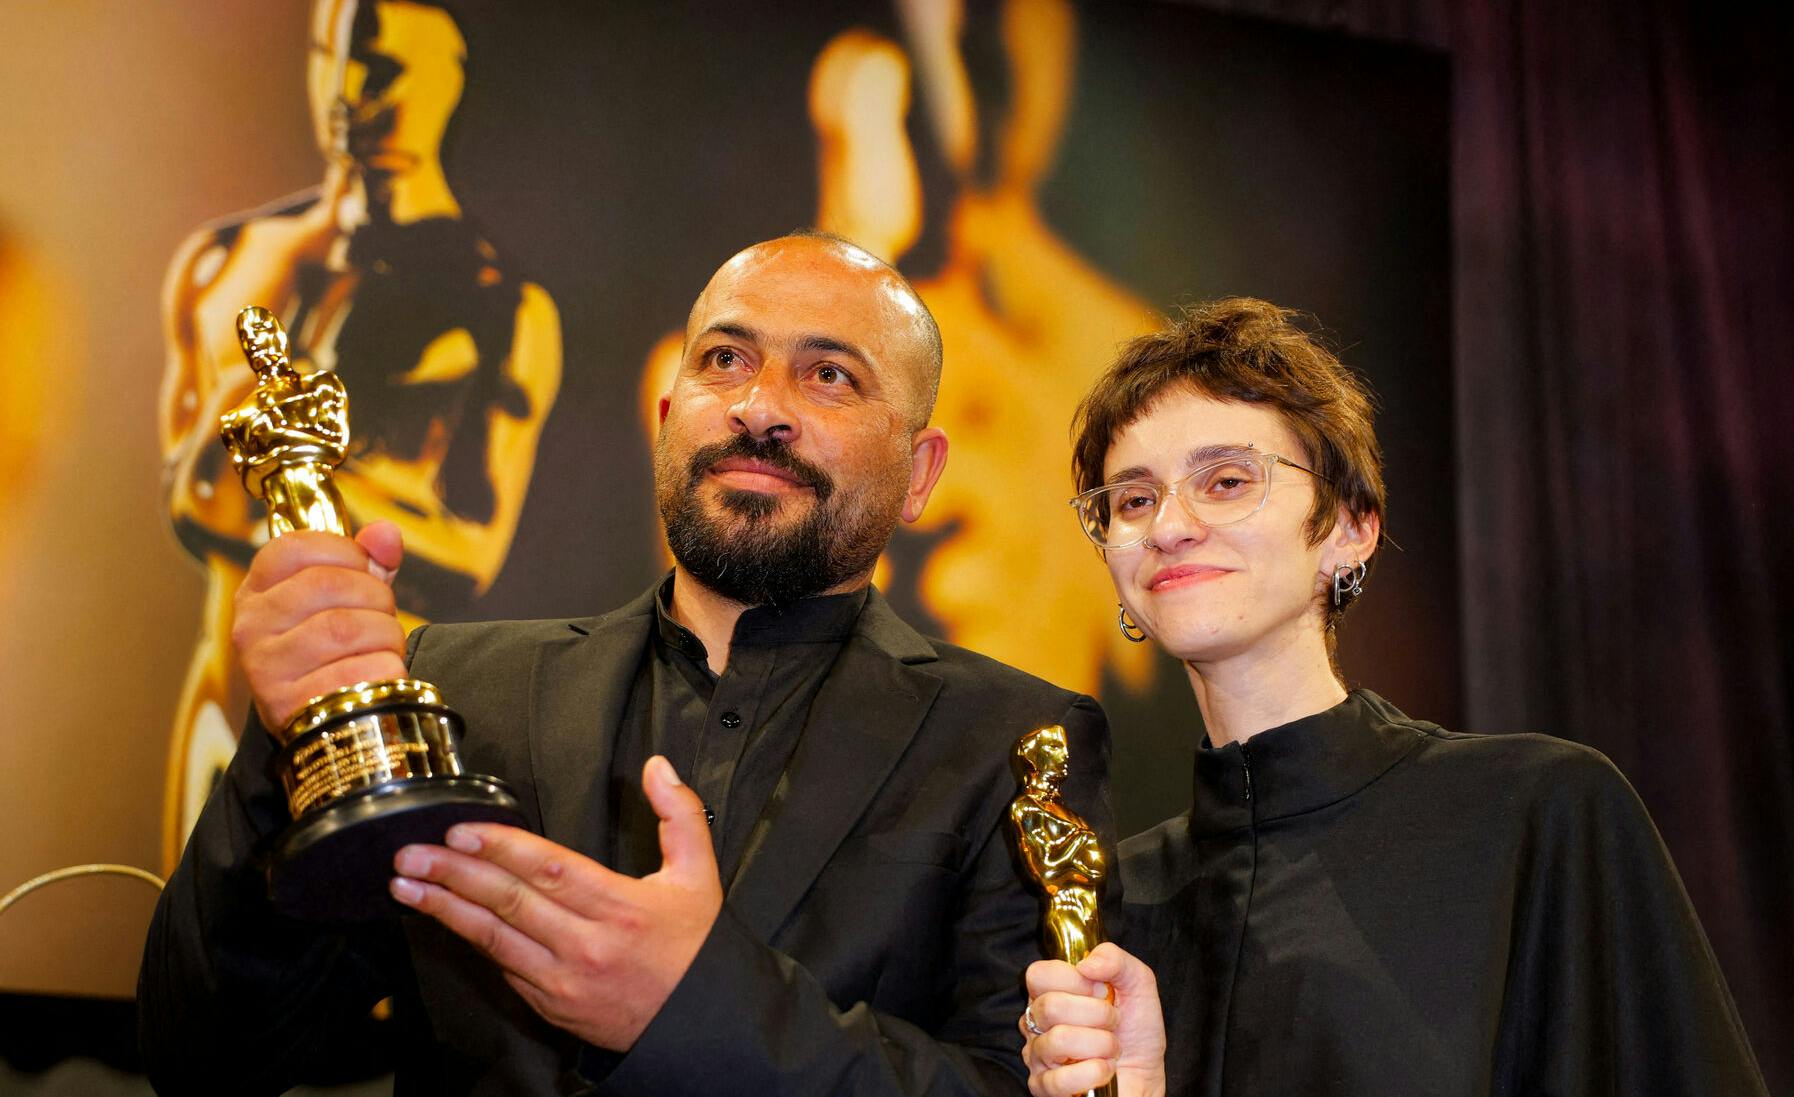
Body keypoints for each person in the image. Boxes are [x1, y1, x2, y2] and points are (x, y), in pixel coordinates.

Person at [139, 232, 1116, 1095]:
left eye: (830, 375)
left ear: (921, 471)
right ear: (665, 415)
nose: (760, 407)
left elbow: (1024, 1084)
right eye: (725, 358)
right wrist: (286, 745)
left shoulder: (1017, 743)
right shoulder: (453, 686)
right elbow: (209, 1054)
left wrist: (698, 1009)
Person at [1018, 299, 1768, 1096]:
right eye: (1133, 500)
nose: (1170, 525)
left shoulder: (1538, 815)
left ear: (1350, 525)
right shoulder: (1115, 904)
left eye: (1227, 480)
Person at [157, 0, 562, 861]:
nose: (346, 92)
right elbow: (193, 495)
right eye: (327, 55)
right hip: (216, 707)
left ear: (450, 79)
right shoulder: (228, 261)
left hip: (366, 739)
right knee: (181, 965)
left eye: (380, 68)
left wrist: (301, 479)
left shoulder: (502, 311)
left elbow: (472, 551)